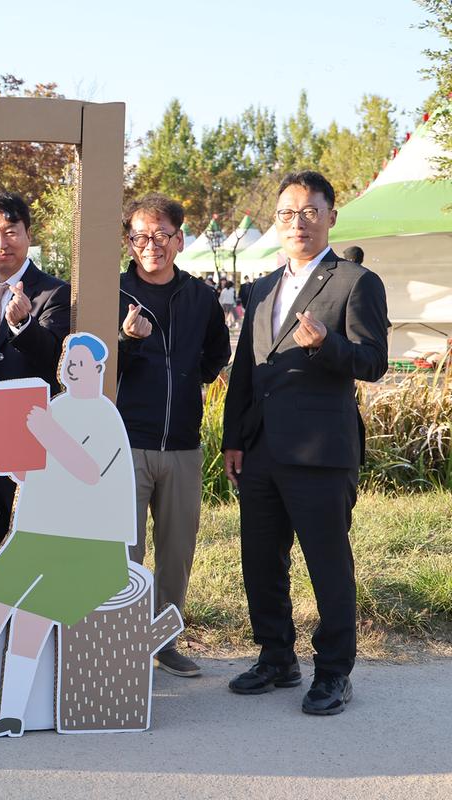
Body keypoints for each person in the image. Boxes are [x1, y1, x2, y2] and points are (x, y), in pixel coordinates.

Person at [223, 170, 388, 715]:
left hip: (321, 452)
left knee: (327, 565)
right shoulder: (263, 286)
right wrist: (234, 440)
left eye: (310, 211)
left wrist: (327, 344)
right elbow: (245, 372)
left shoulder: (356, 282)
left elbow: (373, 363)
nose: (299, 223)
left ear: (331, 216)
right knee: (260, 562)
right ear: (277, 221)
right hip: (263, 449)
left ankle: (334, 672)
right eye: (288, 213)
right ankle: (276, 658)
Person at [0, 333, 134, 739]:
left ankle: (13, 712)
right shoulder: (55, 407)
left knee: (31, 616)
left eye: (80, 363)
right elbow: (24, 470)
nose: (71, 369)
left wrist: (46, 431)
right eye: (67, 363)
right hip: (38, 529)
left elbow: (88, 471)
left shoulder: (104, 415)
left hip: (89, 543)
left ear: (99, 370)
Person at [117, 193, 230, 678]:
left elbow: (214, 357)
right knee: (124, 552)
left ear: (179, 240)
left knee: (177, 552)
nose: (152, 245)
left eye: (162, 235)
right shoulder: (112, 291)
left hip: (182, 444)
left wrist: (183, 380)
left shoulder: (200, 296)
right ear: (129, 240)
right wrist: (127, 341)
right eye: (141, 236)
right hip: (124, 444)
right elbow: (88, 367)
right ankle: (119, 643)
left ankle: (164, 641)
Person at [0, 192, 70, 555]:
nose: (1, 243)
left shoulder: (54, 292)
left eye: (11, 232)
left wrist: (24, 323)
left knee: (27, 543)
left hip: (28, 440)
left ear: (28, 233)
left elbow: (55, 360)